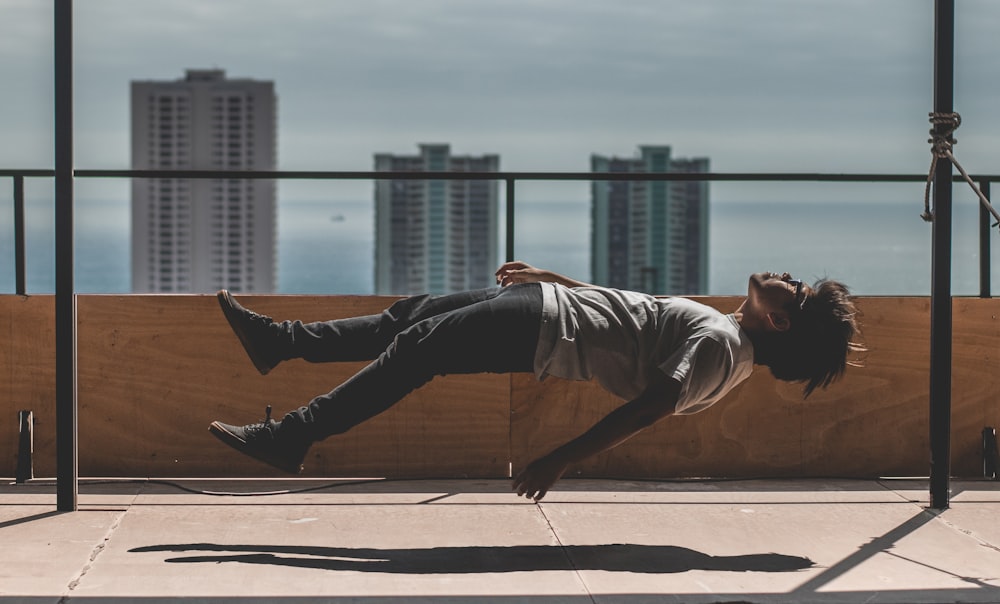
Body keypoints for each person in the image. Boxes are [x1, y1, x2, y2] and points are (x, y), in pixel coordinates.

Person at [209, 261, 861, 501]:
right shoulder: (727, 330)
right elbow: (637, 315)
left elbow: (650, 405)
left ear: (778, 322)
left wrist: (560, 459)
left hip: (550, 330)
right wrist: (558, 280)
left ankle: (292, 437)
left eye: (797, 289)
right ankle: (278, 343)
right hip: (555, 309)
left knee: (415, 348)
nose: (790, 275)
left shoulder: (721, 346)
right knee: (413, 317)